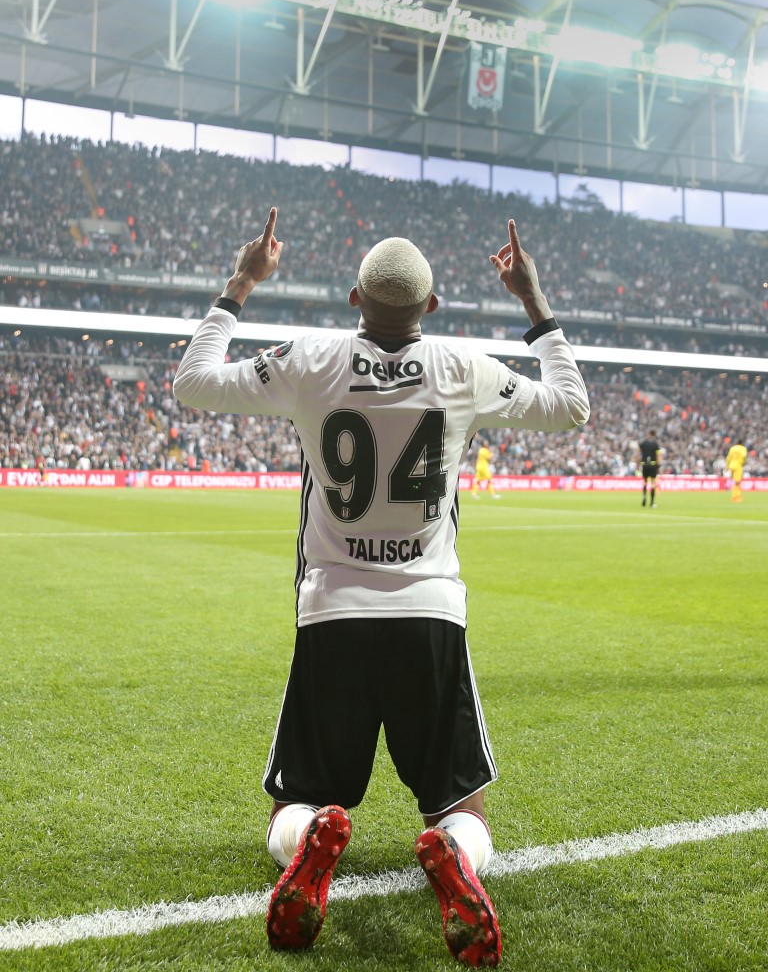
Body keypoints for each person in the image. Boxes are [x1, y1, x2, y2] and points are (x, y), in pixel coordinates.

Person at [173, 208, 590, 967]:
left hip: (332, 612)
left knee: (294, 802)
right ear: (431, 306)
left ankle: (308, 839)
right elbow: (572, 407)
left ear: (354, 299)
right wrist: (533, 301)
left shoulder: (310, 359)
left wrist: (241, 285)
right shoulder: (464, 367)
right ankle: (453, 853)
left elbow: (193, 383)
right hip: (431, 613)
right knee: (462, 807)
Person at [637, 430, 661, 508]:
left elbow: (638, 453)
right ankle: (652, 502)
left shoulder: (643, 443)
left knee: (645, 482)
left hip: (644, 464)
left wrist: (637, 463)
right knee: (653, 483)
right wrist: (659, 465)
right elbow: (658, 455)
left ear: (649, 434)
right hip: (653, 464)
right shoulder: (656, 444)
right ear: (654, 435)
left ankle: (644, 497)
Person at [725, 438, 748, 503]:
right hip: (738, 465)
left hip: (731, 465)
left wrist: (727, 467)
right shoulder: (743, 448)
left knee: (735, 481)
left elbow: (728, 458)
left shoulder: (732, 448)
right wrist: (743, 462)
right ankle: (736, 497)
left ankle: (736, 495)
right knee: (737, 482)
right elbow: (744, 456)